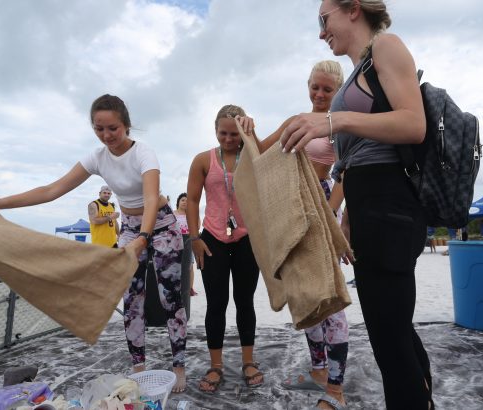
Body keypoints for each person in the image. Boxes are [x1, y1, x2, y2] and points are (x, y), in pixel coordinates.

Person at [0, 94, 188, 392]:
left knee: (170, 299)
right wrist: (0, 203)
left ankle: (179, 366)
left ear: (126, 124)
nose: (106, 135)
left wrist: (143, 238)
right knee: (132, 300)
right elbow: (52, 190)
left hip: (161, 225)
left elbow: (151, 199)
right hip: (130, 227)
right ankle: (139, 367)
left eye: (112, 128)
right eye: (99, 129)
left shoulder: (143, 153)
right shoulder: (97, 158)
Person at [279, 1, 434, 408]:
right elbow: (361, 158)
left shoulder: (386, 47)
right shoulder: (358, 72)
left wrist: (333, 120)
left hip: (389, 206)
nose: (320, 31)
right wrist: (347, 217)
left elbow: (413, 125)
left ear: (351, 10)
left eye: (323, 19)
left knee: (390, 339)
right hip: (369, 210)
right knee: (393, 331)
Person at [255, 60, 350, 409]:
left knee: (330, 297)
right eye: (315, 87)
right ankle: (318, 371)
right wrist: (246, 126)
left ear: (338, 91)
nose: (320, 94)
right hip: (291, 209)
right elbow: (260, 150)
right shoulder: (295, 121)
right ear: (307, 85)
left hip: (322, 208)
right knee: (304, 293)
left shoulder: (339, 127)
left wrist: (332, 216)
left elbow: (346, 175)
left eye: (327, 89)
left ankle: (336, 389)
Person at [186, 104, 264, 393]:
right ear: (215, 131)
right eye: (223, 133)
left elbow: (271, 161)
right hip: (212, 240)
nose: (229, 139)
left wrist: (253, 135)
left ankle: (248, 360)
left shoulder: (253, 154)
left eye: (235, 134)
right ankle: (216, 365)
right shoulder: (203, 160)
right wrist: (195, 238)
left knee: (245, 301)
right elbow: (192, 200)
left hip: (247, 238)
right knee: (216, 304)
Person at [174, 193, 198, 314]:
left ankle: (189, 288)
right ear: (178, 202)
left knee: (189, 265)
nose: (185, 202)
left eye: (187, 201)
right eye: (182, 200)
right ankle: (175, 285)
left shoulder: (191, 214)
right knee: (176, 265)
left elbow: (197, 225)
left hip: (188, 242)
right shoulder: (173, 214)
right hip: (175, 243)